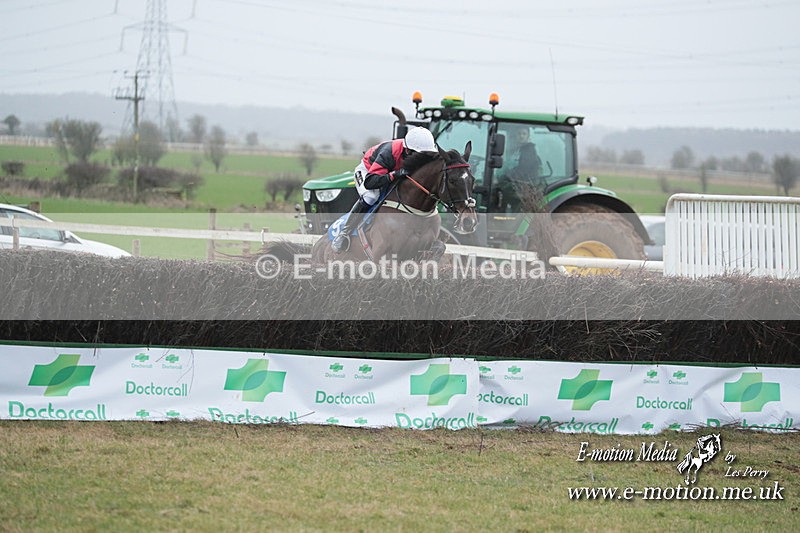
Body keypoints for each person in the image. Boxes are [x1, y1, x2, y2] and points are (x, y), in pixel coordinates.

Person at [331, 126, 438, 253]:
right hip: (368, 172)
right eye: (420, 155)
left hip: (390, 171)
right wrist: (394, 175)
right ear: (408, 150)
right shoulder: (389, 153)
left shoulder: (420, 151)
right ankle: (344, 233)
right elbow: (370, 182)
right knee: (371, 197)